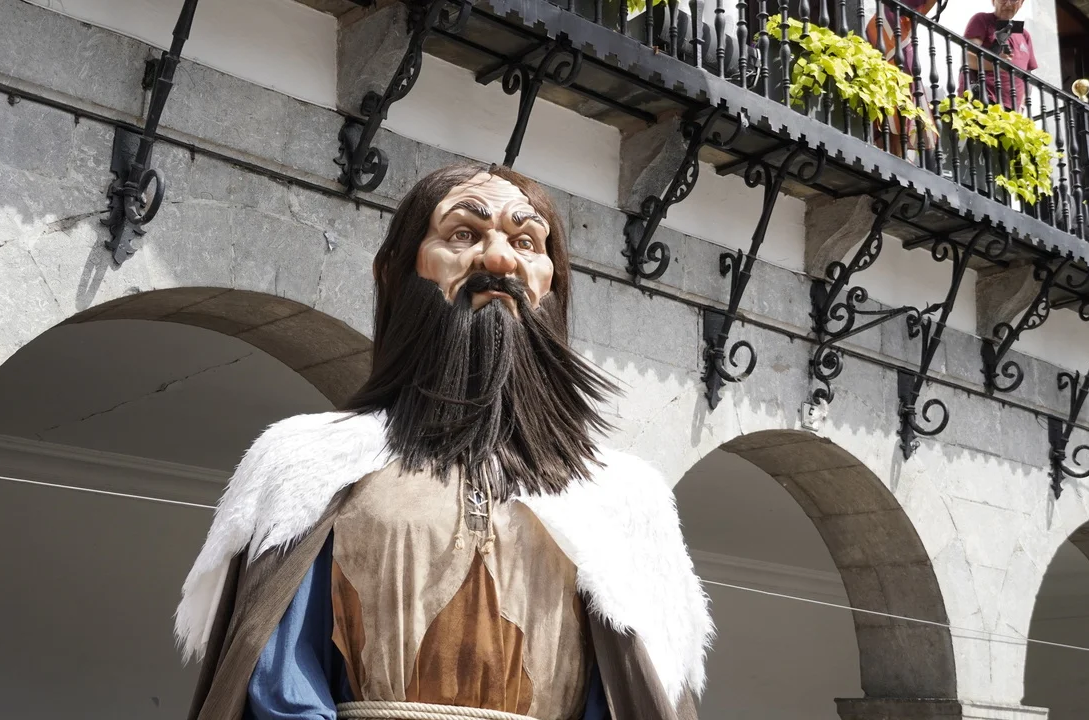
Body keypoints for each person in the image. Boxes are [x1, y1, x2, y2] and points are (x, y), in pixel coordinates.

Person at [176, 163, 713, 720]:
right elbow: (280, 682)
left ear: (552, 283)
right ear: (395, 272)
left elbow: (627, 698)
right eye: (463, 234)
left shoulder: (620, 494)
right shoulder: (313, 463)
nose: (499, 260)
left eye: (525, 242)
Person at [865, 0, 942, 161]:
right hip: (877, 29)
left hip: (898, 37)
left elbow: (925, 7)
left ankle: (898, 158)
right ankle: (891, 156)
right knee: (888, 97)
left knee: (899, 99)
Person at [958, 0, 1037, 111]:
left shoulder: (1024, 34)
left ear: (1021, 3)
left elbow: (1028, 76)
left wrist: (1022, 106)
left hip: (1012, 111)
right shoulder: (982, 20)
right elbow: (967, 58)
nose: (1008, 4)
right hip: (982, 102)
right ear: (993, 1)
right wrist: (997, 64)